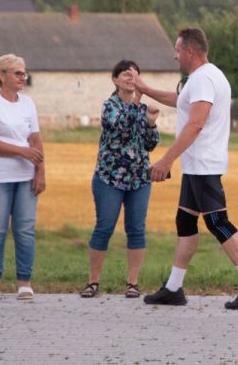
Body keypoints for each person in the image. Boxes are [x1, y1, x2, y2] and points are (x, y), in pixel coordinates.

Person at [129, 27, 238, 309]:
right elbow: (179, 101)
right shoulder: (200, 79)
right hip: (196, 165)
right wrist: (144, 89)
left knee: (218, 222)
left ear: (190, 51)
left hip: (204, 163)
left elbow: (195, 123)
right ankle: (173, 289)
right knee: (185, 222)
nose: (174, 55)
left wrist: (166, 159)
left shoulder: (205, 79)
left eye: (177, 50)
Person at [81, 60, 160, 299]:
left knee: (136, 229)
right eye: (125, 73)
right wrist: (138, 102)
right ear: (115, 80)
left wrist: (151, 123)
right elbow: (122, 127)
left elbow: (150, 144)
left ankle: (132, 283)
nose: (130, 76)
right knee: (104, 227)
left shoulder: (143, 107)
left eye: (134, 73)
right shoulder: (109, 106)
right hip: (110, 177)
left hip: (139, 178)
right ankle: (93, 282)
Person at [0, 54, 45, 301]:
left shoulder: (28, 104)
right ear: (2, 75)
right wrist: (21, 151)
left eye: (24, 73)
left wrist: (40, 170)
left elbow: (35, 140)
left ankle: (24, 282)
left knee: (25, 230)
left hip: (25, 177)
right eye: (17, 73)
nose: (22, 77)